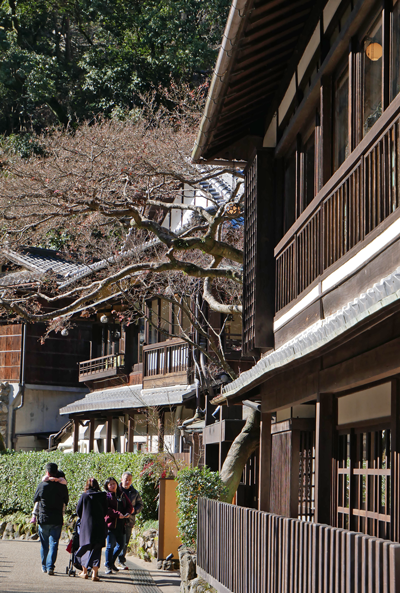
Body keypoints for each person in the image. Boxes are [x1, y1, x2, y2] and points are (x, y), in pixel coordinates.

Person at [33, 462, 69, 576]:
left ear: (47, 472)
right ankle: (50, 567)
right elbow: (66, 501)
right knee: (54, 544)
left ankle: (44, 565)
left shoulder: (42, 485)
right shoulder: (62, 487)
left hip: (44, 518)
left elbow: (35, 499)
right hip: (57, 518)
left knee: (44, 544)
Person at [75, 478, 107, 582]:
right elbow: (105, 510)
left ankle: (84, 572)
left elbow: (78, 510)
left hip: (86, 526)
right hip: (99, 525)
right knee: (97, 549)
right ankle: (94, 574)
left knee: (85, 547)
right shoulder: (102, 496)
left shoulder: (84, 496)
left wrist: (84, 517)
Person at [104, 477, 133, 575]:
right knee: (110, 546)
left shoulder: (122, 495)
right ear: (107, 486)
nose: (113, 485)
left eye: (114, 483)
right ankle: (108, 566)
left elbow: (130, 506)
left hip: (121, 524)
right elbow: (106, 509)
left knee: (121, 545)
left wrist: (128, 513)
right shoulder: (107, 496)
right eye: (110, 484)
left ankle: (111, 562)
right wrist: (117, 514)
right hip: (111, 525)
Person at [117, 471, 143, 570]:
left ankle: (121, 561)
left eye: (129, 480)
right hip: (117, 520)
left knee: (125, 542)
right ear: (121, 479)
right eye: (126, 479)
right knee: (114, 541)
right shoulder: (116, 490)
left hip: (129, 521)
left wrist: (134, 511)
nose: (127, 481)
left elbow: (140, 505)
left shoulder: (135, 493)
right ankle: (110, 561)